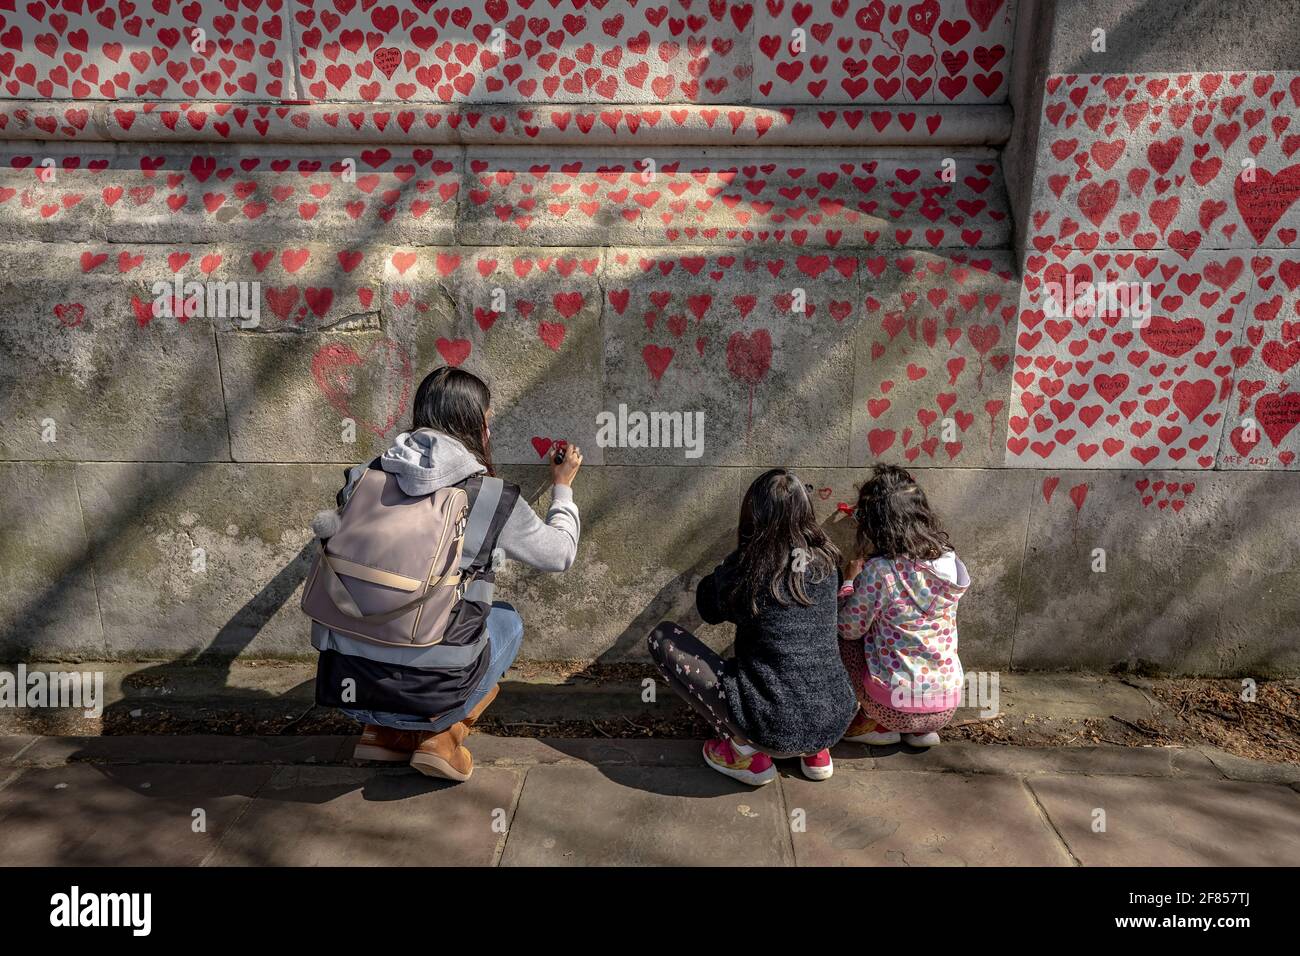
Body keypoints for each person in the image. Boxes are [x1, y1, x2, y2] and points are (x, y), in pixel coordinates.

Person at [309, 367, 582, 781]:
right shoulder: (490, 497)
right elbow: (559, 554)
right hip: (432, 692)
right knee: (506, 621)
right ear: (475, 424)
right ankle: (442, 735)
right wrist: (562, 488)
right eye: (488, 420)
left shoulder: (363, 476)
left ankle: (382, 733)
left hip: (347, 684)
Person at [647, 469, 858, 786]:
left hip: (769, 724)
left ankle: (745, 751)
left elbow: (708, 607)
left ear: (752, 514)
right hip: (833, 718)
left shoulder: (749, 568)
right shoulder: (826, 561)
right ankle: (815, 752)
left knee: (662, 638)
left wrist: (731, 563)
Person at [838, 464, 968, 748]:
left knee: (842, 636)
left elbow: (848, 629)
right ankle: (921, 731)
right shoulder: (951, 562)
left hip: (893, 706)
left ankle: (877, 723)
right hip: (946, 704)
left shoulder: (880, 571)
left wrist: (848, 584)